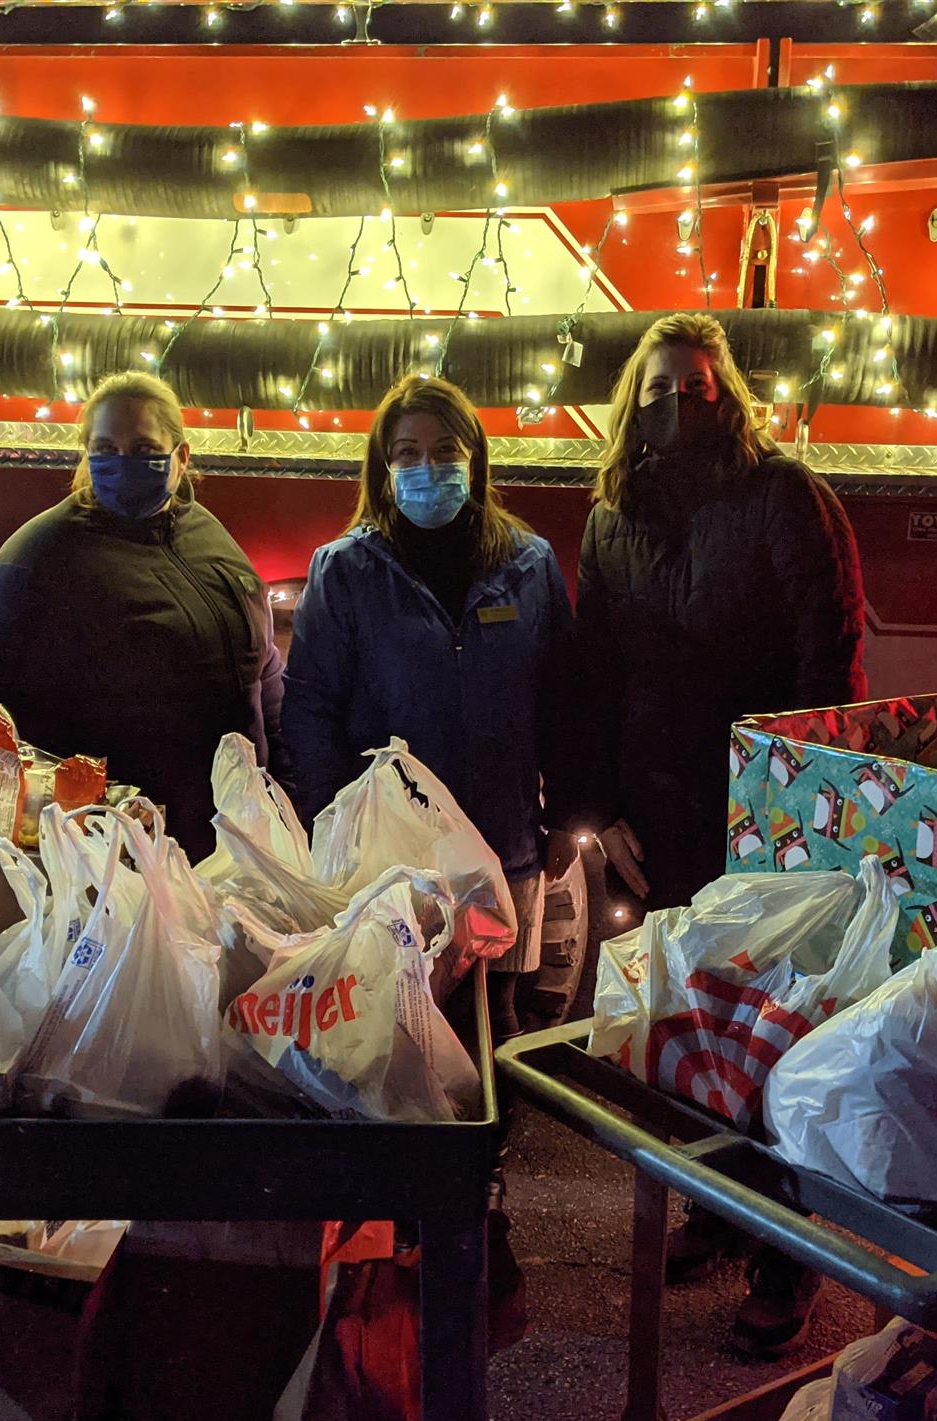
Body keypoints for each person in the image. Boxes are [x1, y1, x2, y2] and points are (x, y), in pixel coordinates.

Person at [567, 311, 867, 1356]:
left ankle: (786, 1253)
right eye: (656, 392)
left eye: (695, 388)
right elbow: (593, 675)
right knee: (692, 1023)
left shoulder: (782, 496)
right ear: (629, 408)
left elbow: (826, 661)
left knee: (779, 1028)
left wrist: (810, 806)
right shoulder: (613, 515)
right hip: (663, 815)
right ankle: (718, 1206)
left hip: (771, 816)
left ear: (728, 394)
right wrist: (598, 811)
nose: (676, 406)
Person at [284, 374, 573, 1040]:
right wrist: (337, 829)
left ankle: (489, 1148)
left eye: (444, 449)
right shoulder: (344, 571)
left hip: (504, 846)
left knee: (494, 1025)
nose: (426, 467)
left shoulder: (530, 565)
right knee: (394, 1028)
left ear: (475, 456)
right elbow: (310, 711)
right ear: (384, 468)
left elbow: (565, 702)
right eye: (407, 452)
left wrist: (565, 814)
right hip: (390, 860)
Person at [0, 370, 287, 862]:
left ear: (182, 457)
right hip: (112, 850)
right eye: (105, 448)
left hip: (223, 832)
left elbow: (261, 664)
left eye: (144, 448)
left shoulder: (207, 536)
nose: (123, 462)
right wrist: (39, 824)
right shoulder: (38, 555)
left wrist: (284, 784)